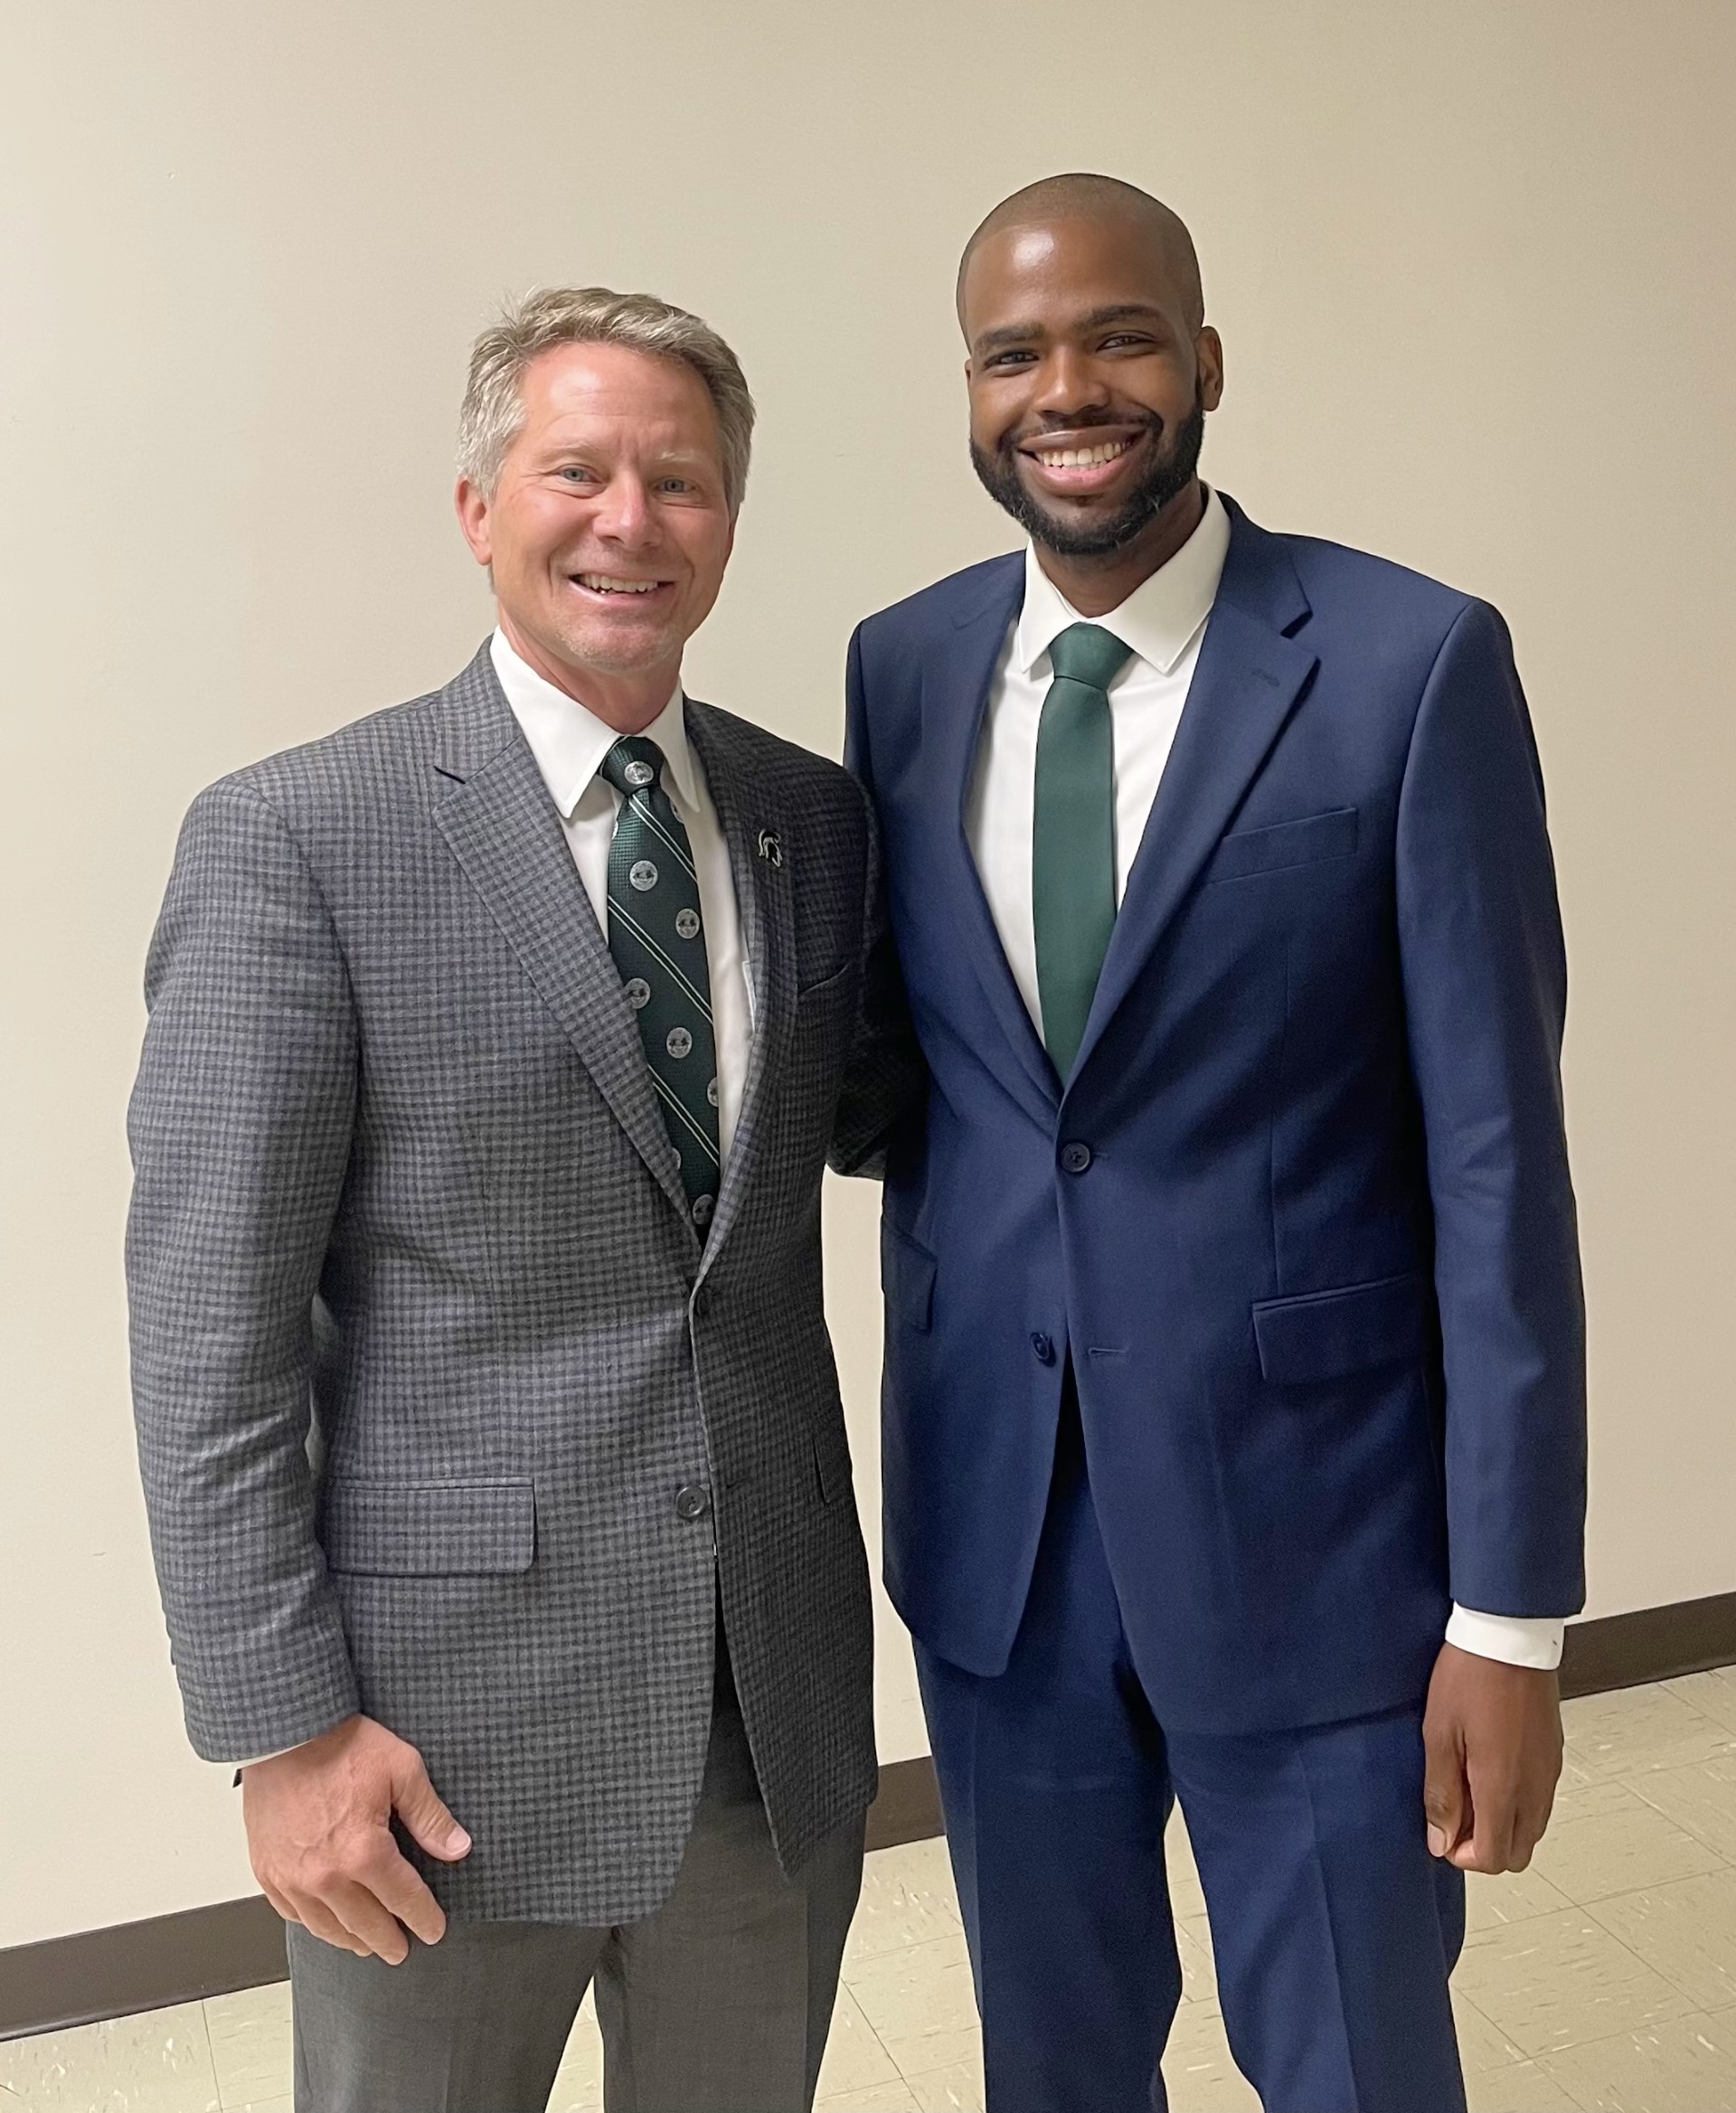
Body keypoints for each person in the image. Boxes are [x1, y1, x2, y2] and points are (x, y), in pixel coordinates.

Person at [841, 175, 1586, 2113]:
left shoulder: (1414, 663)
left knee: (1353, 2069)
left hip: (1326, 1549)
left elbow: (1500, 1163)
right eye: (1014, 353)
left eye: (1119, 336)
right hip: (1000, 1543)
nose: (1067, 388)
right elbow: (927, 1079)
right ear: (971, 388)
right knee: (1058, 2070)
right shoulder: (901, 670)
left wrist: (1507, 1613)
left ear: (1206, 360)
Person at [127, 286, 904, 2113]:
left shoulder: (814, 823)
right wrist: (282, 1729)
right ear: (482, 507)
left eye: (682, 479)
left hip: (766, 1710)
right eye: (579, 470)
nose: (630, 518)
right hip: (433, 1744)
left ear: (730, 517)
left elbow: (882, 1134)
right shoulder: (300, 839)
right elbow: (207, 1334)